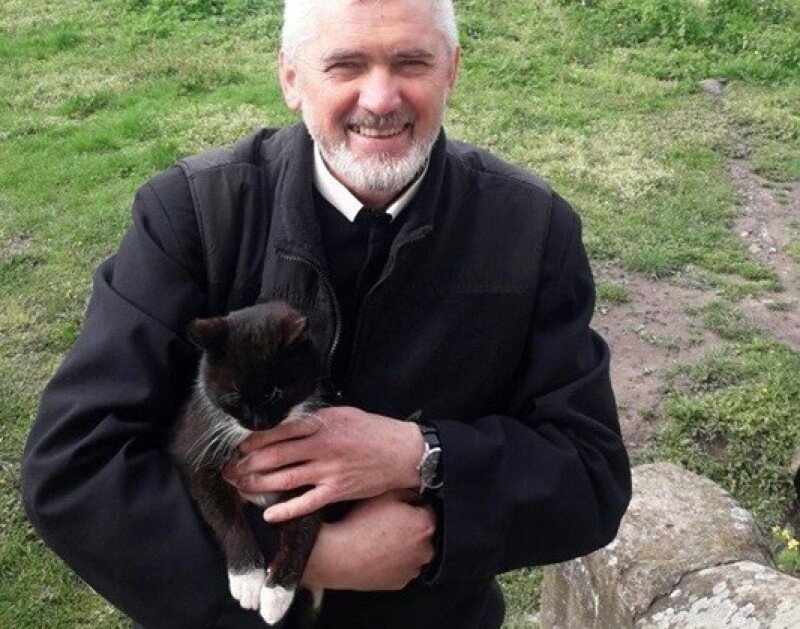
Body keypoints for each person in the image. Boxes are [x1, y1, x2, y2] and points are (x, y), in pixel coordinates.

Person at [21, 0, 632, 627]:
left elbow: (590, 475)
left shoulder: (532, 230)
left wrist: (421, 455)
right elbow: (73, 467)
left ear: (452, 70)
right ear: (291, 78)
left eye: (411, 63)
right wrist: (309, 559)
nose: (381, 98)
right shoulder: (191, 215)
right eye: (346, 65)